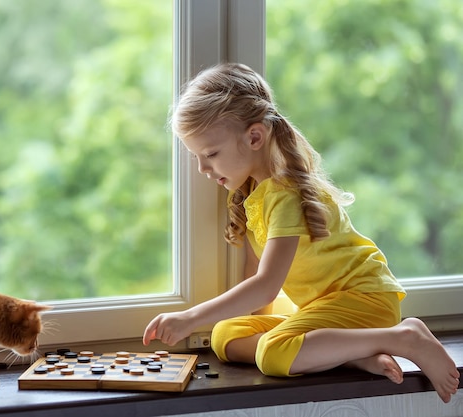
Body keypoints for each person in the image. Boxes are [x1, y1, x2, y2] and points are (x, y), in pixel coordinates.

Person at [142, 63, 459, 403]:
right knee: (225, 334)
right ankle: (349, 353)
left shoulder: (285, 194)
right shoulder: (253, 192)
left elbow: (266, 285)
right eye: (196, 157)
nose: (203, 168)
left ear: (254, 137)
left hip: (363, 302)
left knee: (274, 353)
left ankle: (403, 338)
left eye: (211, 154)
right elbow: (255, 277)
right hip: (327, 308)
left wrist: (190, 318)